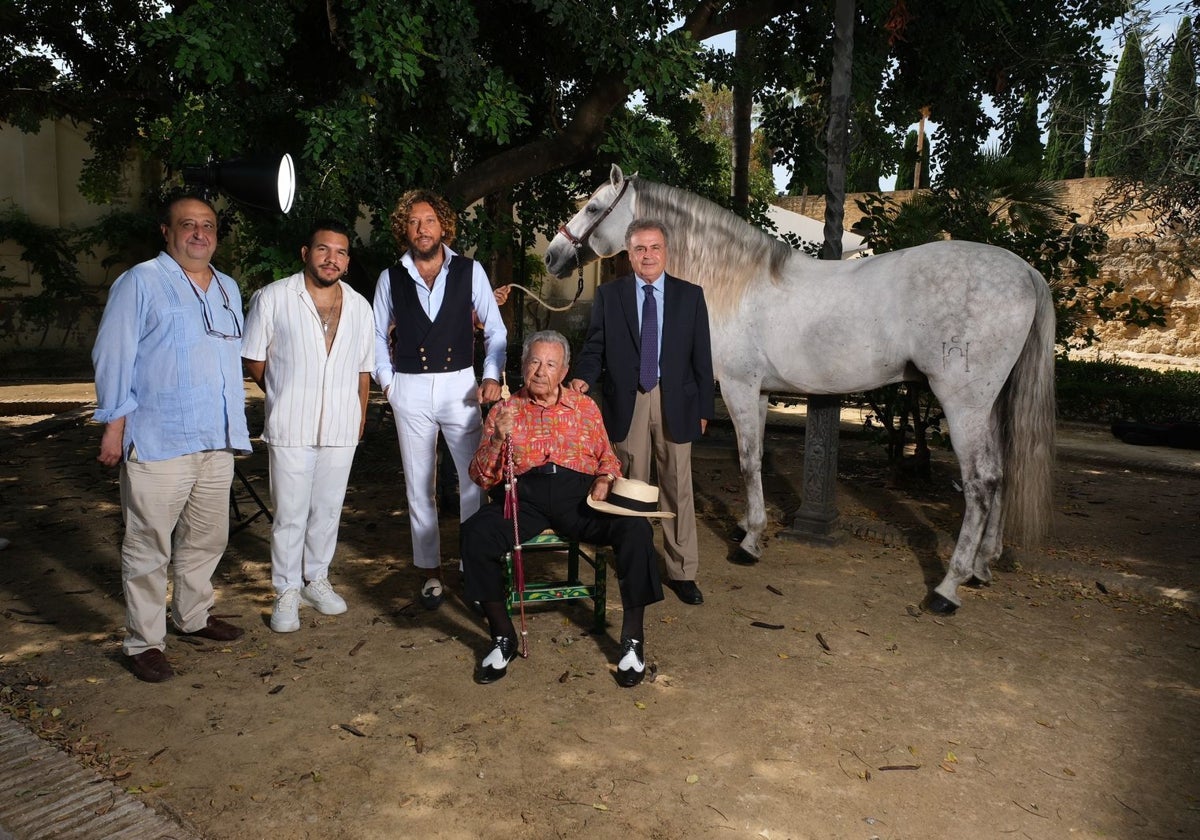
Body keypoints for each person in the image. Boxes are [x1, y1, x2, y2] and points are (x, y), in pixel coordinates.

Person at [92, 193, 251, 683]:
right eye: (188, 224)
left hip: (217, 436)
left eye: (207, 225)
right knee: (148, 545)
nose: (199, 233)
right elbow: (112, 353)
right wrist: (114, 426)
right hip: (160, 437)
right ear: (167, 231)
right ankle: (143, 642)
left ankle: (192, 616)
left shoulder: (228, 287)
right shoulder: (140, 282)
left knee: (207, 538)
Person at [462, 330, 666, 687]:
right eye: (535, 362)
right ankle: (502, 636)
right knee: (475, 533)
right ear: (523, 365)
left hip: (579, 499)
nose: (541, 371)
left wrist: (605, 477)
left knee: (636, 530)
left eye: (551, 364)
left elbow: (608, 457)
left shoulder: (584, 406)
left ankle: (633, 640)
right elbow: (480, 476)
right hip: (524, 498)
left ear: (565, 369)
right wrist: (496, 439)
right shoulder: (504, 410)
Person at [372, 190, 507, 610]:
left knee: (473, 480)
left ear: (443, 226)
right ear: (404, 228)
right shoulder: (390, 277)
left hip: (460, 387)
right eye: (413, 222)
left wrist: (489, 375)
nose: (422, 228)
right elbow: (376, 336)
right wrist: (389, 385)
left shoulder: (470, 270)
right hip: (409, 387)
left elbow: (496, 332)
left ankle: (472, 565)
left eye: (429, 220)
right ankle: (430, 572)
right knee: (418, 485)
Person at [569, 219, 714, 606]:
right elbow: (594, 347)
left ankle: (683, 571)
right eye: (639, 249)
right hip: (627, 400)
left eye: (654, 248)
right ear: (629, 254)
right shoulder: (609, 295)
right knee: (630, 486)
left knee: (676, 486)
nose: (647, 255)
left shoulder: (690, 296)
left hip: (675, 400)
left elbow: (703, 357)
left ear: (666, 252)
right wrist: (582, 379)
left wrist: (703, 407)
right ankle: (636, 561)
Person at [241, 221, 374, 633]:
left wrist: (359, 418)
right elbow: (254, 361)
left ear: (347, 262)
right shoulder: (274, 298)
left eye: (340, 252)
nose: (331, 258)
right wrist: (283, 392)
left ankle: (316, 578)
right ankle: (285, 590)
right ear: (305, 253)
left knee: (328, 510)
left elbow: (363, 371)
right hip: (291, 425)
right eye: (323, 249)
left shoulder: (359, 307)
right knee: (289, 514)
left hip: (341, 426)